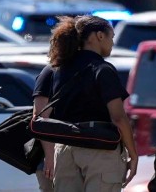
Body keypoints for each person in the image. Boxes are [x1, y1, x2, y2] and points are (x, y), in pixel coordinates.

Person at [33, 15, 137, 191]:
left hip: (65, 149)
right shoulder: (103, 69)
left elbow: (42, 113)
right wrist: (133, 154)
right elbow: (118, 117)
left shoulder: (59, 69)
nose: (112, 43)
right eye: (111, 37)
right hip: (99, 147)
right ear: (99, 36)